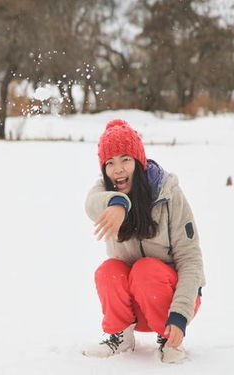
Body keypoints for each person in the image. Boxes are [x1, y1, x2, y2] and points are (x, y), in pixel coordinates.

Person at [82, 119, 205, 364]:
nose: (117, 169)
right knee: (108, 271)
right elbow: (91, 203)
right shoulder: (103, 193)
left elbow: (191, 261)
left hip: (173, 303)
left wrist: (179, 315)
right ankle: (121, 336)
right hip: (135, 307)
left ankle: (168, 340)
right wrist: (117, 203)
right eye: (110, 163)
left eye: (125, 159)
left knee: (145, 269)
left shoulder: (168, 194)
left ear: (139, 162)